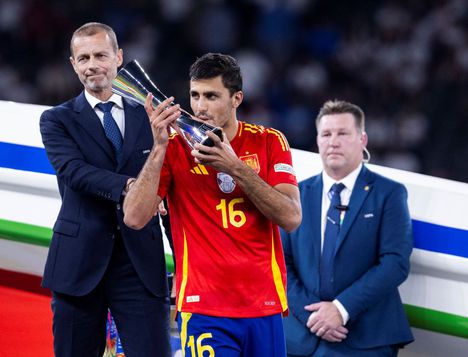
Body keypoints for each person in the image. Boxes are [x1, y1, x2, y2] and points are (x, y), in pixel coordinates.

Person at [123, 53, 302, 356]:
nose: (200, 106)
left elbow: (291, 217)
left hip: (264, 303)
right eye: (195, 95)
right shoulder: (175, 148)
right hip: (204, 305)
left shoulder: (270, 142)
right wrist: (159, 147)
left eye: (212, 96)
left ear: (237, 98)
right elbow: (134, 217)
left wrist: (236, 168)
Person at [39, 22, 170, 356]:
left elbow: (169, 180)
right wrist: (130, 186)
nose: (91, 65)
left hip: (139, 264)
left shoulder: (149, 116)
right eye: (82, 58)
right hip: (77, 265)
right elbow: (74, 172)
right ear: (73, 64)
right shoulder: (56, 120)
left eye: (100, 55)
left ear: (119, 57)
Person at [281, 100, 414, 356]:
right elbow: (279, 261)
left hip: (364, 337)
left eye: (343, 133)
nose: (333, 141)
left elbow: (395, 263)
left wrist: (341, 309)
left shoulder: (389, 194)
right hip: (299, 333)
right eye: (326, 134)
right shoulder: (296, 193)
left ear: (362, 139)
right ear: (318, 140)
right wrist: (315, 316)